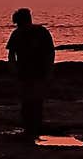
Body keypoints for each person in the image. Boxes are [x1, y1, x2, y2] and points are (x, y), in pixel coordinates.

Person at [7, 8, 55, 140]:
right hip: (27, 72)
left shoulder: (38, 32)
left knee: (33, 100)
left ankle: (33, 127)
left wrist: (49, 70)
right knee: (30, 100)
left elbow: (50, 52)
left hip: (35, 72)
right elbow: (11, 54)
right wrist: (13, 69)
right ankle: (31, 127)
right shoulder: (21, 33)